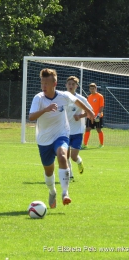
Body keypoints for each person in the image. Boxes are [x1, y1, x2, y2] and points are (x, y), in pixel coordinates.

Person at [29, 69, 94, 208]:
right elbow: (31, 116)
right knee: (49, 170)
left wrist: (88, 111)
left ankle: (65, 193)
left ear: (55, 83)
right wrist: (45, 110)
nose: (44, 86)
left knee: (63, 156)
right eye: (42, 83)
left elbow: (77, 101)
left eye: (47, 83)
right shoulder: (38, 98)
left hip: (61, 134)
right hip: (44, 139)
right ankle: (52, 192)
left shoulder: (63, 96)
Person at [65, 76, 93, 181]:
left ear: (76, 86)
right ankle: (70, 175)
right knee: (65, 156)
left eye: (73, 84)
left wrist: (80, 116)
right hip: (64, 131)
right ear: (66, 85)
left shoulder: (82, 99)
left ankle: (79, 162)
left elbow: (90, 112)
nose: (71, 86)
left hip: (77, 131)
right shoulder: (62, 97)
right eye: (69, 84)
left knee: (73, 156)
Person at [82, 83, 104, 148]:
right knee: (87, 129)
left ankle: (101, 144)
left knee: (98, 129)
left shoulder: (100, 96)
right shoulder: (89, 97)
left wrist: (99, 114)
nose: (92, 90)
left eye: (93, 88)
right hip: (90, 116)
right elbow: (87, 107)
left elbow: (101, 106)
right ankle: (85, 144)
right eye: (90, 89)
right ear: (89, 89)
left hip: (98, 116)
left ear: (96, 88)